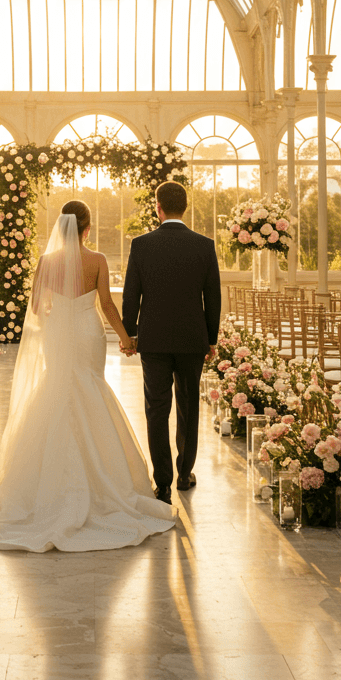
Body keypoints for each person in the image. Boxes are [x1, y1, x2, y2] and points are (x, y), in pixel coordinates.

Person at [0, 200, 176, 552]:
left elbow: (35, 307)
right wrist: (126, 338)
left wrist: (55, 309)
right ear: (87, 228)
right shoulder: (97, 260)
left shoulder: (46, 262)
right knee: (89, 387)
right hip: (87, 331)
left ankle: (43, 488)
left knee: (57, 387)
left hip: (58, 332)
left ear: (61, 225)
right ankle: (104, 483)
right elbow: (107, 304)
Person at [121, 181, 221, 504]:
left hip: (154, 340)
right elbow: (213, 298)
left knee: (156, 409)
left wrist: (130, 333)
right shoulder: (204, 245)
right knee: (189, 408)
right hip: (193, 339)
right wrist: (211, 338)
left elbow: (130, 294)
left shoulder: (141, 244)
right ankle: (184, 474)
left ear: (157, 207)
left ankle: (162, 482)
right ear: (185, 207)